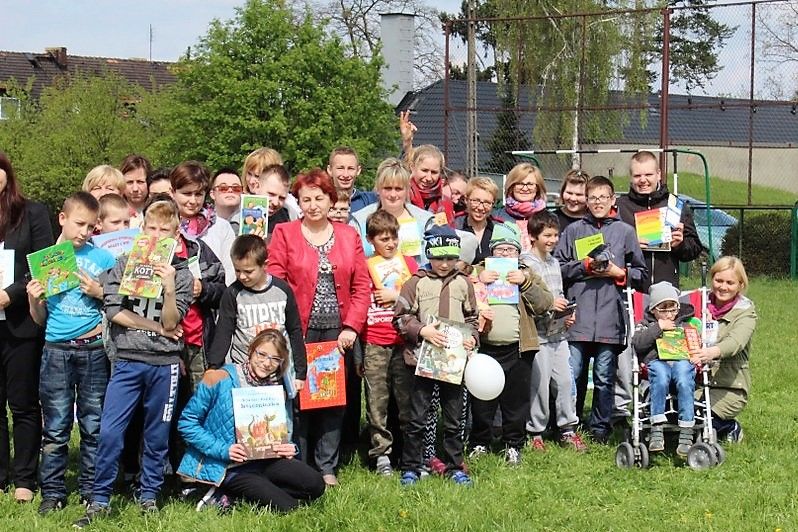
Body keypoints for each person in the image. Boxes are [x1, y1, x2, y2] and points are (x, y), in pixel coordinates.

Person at [75, 197, 193, 527]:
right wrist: (156, 328)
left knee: (157, 435)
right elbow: (115, 312)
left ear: (176, 234)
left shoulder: (182, 273)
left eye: (164, 230)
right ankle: (99, 498)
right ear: (141, 230)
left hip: (165, 363)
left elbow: (172, 322)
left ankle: (149, 495)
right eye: (150, 228)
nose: (156, 235)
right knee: (110, 432)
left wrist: (169, 288)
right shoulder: (123, 263)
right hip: (127, 359)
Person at [267, 168, 371, 487]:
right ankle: (299, 463)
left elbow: (362, 285)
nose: (313, 205)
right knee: (298, 396)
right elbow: (276, 279)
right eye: (306, 199)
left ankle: (327, 466)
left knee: (331, 399)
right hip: (298, 329)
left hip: (337, 331)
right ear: (298, 203)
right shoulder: (284, 233)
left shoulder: (348, 235)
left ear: (330, 200)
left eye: (319, 198)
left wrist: (351, 327)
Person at [26, 192, 115, 515]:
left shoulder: (103, 258)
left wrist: (100, 291)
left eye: (91, 226)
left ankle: (91, 489)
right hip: (56, 350)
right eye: (79, 224)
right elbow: (39, 319)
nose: (84, 232)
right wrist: (34, 298)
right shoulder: (46, 259)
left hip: (93, 349)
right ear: (62, 219)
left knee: (93, 425)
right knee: (55, 427)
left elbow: (117, 303)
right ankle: (52, 492)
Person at [177, 329, 325, 512]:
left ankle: (240, 493)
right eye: (261, 354)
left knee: (316, 485)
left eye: (275, 359)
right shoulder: (219, 378)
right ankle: (222, 491)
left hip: (264, 460)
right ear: (251, 351)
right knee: (288, 507)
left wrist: (289, 447)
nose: (267, 363)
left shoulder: (275, 386)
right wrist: (224, 450)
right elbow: (187, 423)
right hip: (229, 466)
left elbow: (278, 432)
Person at [554, 176, 648, 443]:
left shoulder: (625, 231)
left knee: (605, 376)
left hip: (610, 318)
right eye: (592, 198)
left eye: (602, 198)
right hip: (578, 317)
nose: (597, 203)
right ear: (586, 200)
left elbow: (642, 275)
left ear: (612, 200)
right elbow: (558, 269)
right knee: (574, 374)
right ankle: (569, 425)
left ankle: (600, 427)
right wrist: (583, 266)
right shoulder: (573, 230)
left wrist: (619, 273)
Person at [394, 225, 478, 486]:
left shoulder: (464, 283)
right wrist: (422, 330)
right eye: (439, 258)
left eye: (451, 258)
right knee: (417, 418)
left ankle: (455, 466)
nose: (444, 264)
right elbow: (399, 318)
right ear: (429, 254)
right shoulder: (415, 283)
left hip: (454, 364)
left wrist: (472, 338)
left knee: (454, 419)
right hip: (421, 361)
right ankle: (412, 466)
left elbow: (472, 318)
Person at [469, 222, 553, 465]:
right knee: (482, 402)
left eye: (510, 250)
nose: (505, 255)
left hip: (518, 348)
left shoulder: (526, 272)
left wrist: (525, 283)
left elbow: (546, 303)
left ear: (518, 253)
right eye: (500, 250)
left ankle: (513, 445)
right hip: (485, 348)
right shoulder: (478, 270)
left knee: (516, 401)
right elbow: (461, 290)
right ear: (491, 251)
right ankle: (480, 442)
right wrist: (478, 280)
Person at [0, 152, 55, 503]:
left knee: (23, 404)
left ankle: (24, 477)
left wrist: (11, 295)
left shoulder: (32, 213)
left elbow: (44, 266)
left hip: (21, 323)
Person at [523, 210, 586, 452]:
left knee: (565, 381)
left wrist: (567, 312)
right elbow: (530, 299)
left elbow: (558, 294)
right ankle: (535, 431)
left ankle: (567, 428)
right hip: (538, 335)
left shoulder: (554, 262)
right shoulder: (525, 263)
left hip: (559, 334)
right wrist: (551, 304)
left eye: (555, 235)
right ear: (533, 236)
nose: (552, 240)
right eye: (547, 235)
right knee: (539, 385)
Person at [360, 210, 418, 476]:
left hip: (404, 341)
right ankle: (381, 454)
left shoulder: (410, 264)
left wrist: (396, 295)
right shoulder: (365, 266)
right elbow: (358, 303)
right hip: (374, 342)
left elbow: (419, 298)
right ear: (371, 240)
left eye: (394, 237)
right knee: (376, 402)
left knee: (407, 401)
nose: (391, 243)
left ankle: (411, 453)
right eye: (384, 239)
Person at [206, 235, 306, 381]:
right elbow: (223, 332)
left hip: (278, 372)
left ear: (265, 265)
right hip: (243, 371)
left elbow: (294, 330)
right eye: (237, 270)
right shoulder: (232, 293)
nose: (242, 276)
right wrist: (213, 367)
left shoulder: (282, 290)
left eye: (248, 271)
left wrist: (300, 372)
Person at [688, 256, 755, 443]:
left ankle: (730, 426)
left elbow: (735, 342)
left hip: (729, 389)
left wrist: (711, 352)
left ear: (740, 285)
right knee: (675, 417)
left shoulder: (746, 313)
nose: (723, 287)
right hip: (695, 385)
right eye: (719, 280)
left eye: (730, 283)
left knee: (697, 424)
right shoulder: (697, 302)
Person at [615, 151, 702, 290]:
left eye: (648, 175)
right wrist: (630, 245)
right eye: (637, 176)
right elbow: (607, 249)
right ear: (631, 177)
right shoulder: (619, 207)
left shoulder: (674, 204)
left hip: (666, 291)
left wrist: (679, 245)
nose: (643, 180)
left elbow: (694, 249)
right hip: (630, 290)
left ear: (659, 174)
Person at [632, 281, 697, 456]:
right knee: (660, 375)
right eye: (663, 309)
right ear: (653, 309)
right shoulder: (645, 324)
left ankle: (686, 430)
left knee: (684, 376)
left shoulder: (684, 323)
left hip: (681, 361)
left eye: (673, 309)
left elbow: (695, 344)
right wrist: (658, 327)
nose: (669, 314)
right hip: (657, 362)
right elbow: (637, 343)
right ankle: (657, 426)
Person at [351, 158, 433, 267]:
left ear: (407, 190)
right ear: (378, 189)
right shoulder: (359, 220)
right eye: (388, 188)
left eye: (398, 189)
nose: (393, 195)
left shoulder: (425, 221)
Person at [170, 161, 237, 285]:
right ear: (172, 192)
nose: (193, 200)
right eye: (187, 194)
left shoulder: (221, 227)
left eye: (198, 194)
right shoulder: (161, 226)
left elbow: (230, 273)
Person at [494, 162, 547, 252]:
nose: (525, 188)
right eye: (520, 183)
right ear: (511, 187)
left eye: (530, 184)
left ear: (537, 188)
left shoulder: (548, 218)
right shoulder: (496, 217)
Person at [455, 177, 504, 264]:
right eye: (476, 201)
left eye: (487, 203)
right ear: (466, 200)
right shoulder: (455, 226)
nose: (481, 207)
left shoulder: (500, 228)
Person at [242, 147, 300, 220]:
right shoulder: (238, 203)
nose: (251, 181)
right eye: (249, 174)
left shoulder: (288, 209)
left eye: (257, 176)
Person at [408, 145, 455, 224]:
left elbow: (449, 230)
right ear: (412, 167)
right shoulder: (402, 197)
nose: (429, 178)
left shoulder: (445, 203)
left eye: (434, 172)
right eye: (424, 170)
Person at [327, 146, 377, 213]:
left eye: (350, 168)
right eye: (340, 168)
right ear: (330, 170)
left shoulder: (371, 200)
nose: (345, 175)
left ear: (358, 170)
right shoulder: (321, 201)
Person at [250, 164, 293, 237]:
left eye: (281, 198)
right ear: (257, 187)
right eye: (271, 194)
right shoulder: (237, 219)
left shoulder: (288, 219)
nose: (275, 203)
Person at [120, 154, 151, 228]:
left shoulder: (157, 208)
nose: (135, 189)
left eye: (140, 182)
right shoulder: (114, 211)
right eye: (130, 182)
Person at [209, 168, 244, 233]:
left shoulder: (249, 221)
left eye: (236, 188)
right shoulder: (202, 223)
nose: (230, 190)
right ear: (212, 194)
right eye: (223, 188)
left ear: (242, 192)